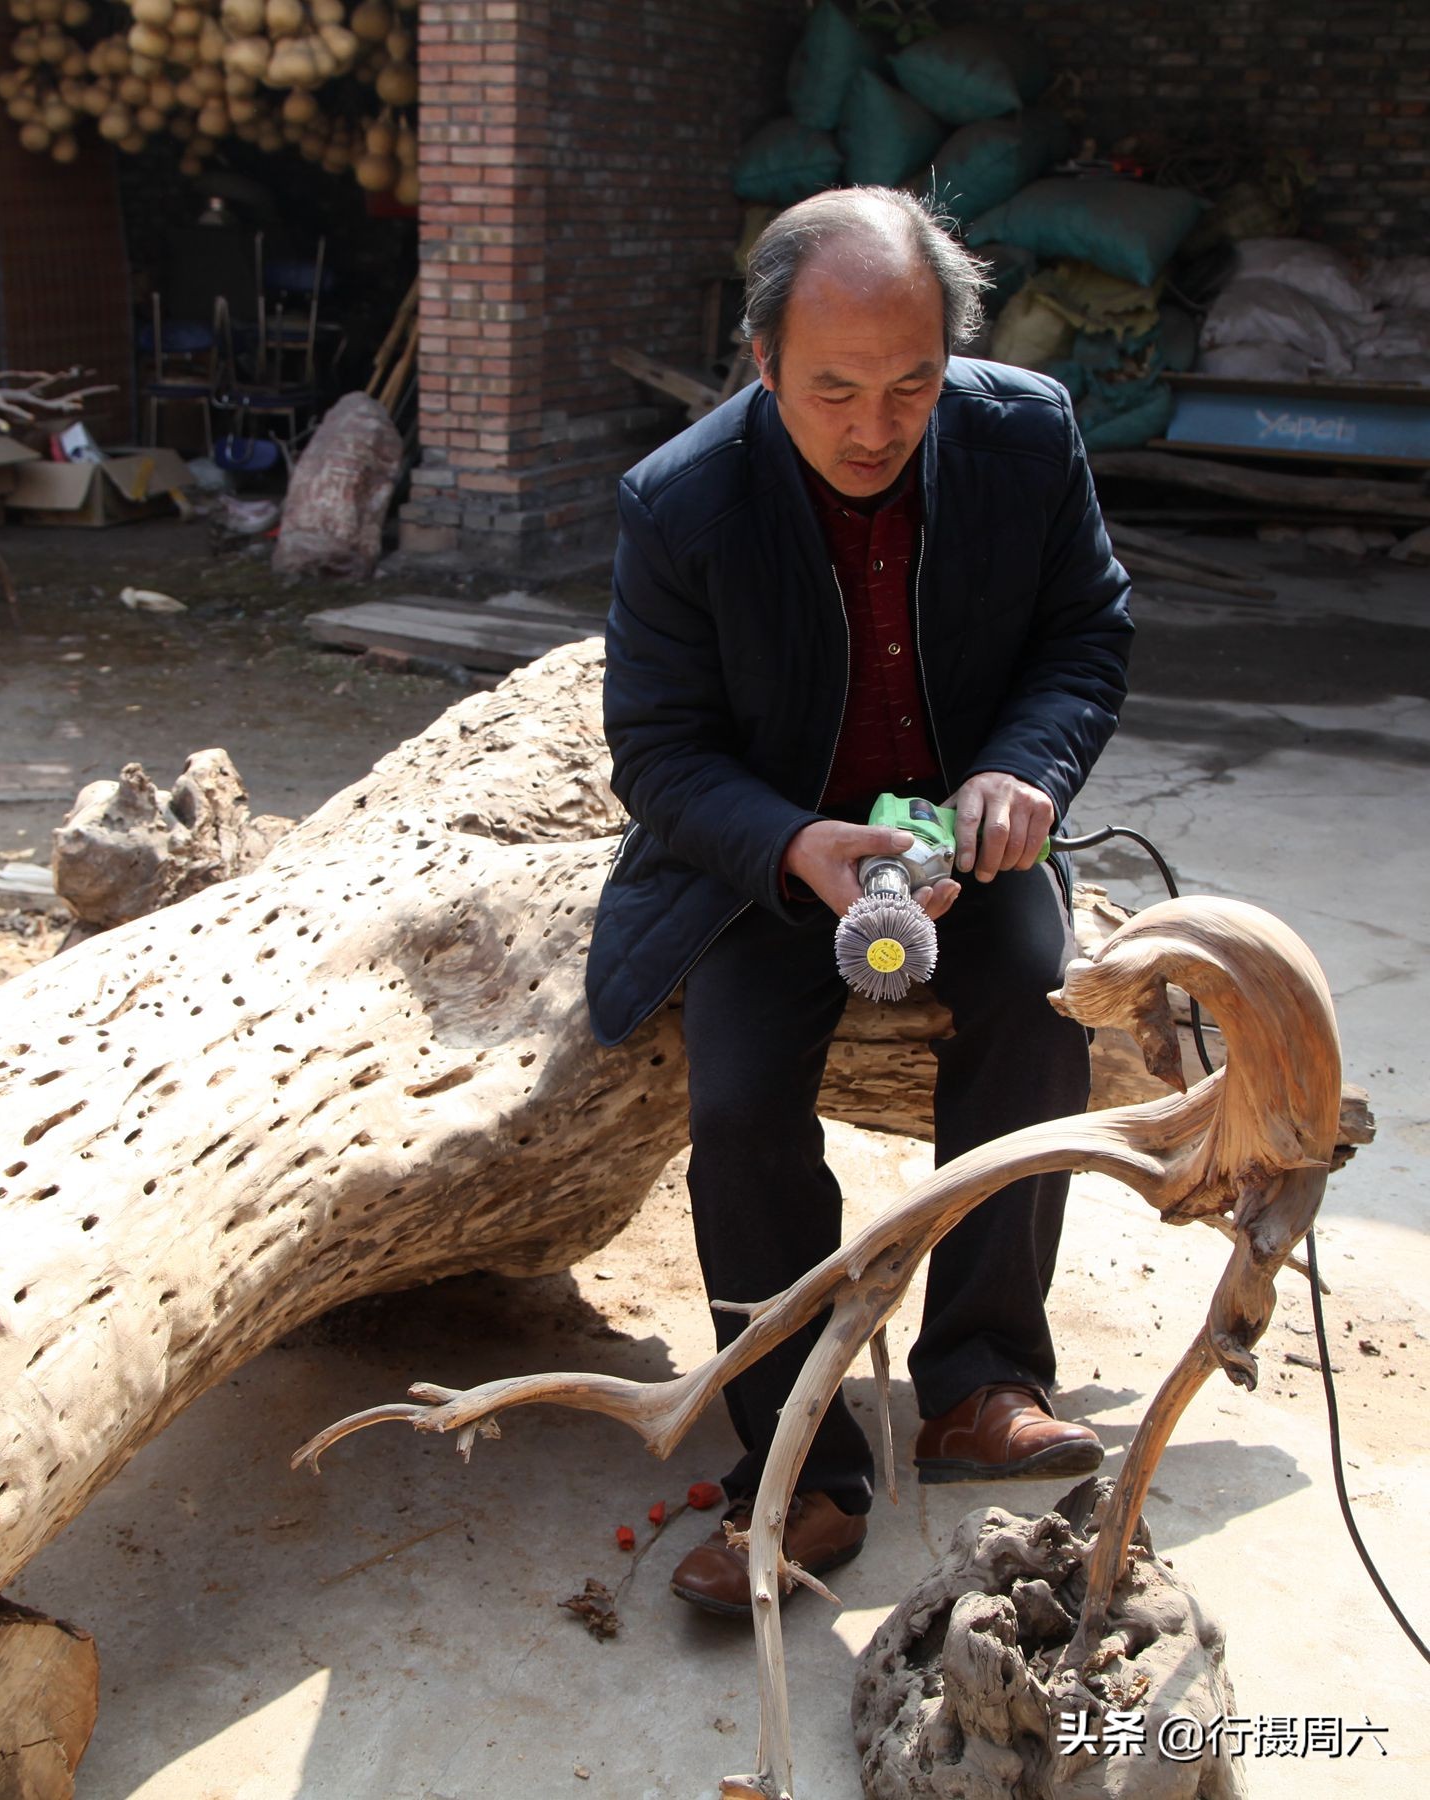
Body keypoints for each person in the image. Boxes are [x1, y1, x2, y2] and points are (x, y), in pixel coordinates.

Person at [583, 187, 1134, 1618]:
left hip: (971, 844)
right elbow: (656, 745)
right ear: (762, 362)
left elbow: (1087, 628)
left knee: (1037, 1004)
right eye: (834, 388)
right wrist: (792, 842)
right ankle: (803, 1468)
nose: (877, 426)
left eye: (912, 385)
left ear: (953, 356)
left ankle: (981, 1382)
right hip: (778, 858)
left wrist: (1026, 773)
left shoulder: (1026, 436)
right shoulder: (682, 501)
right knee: (741, 1100)